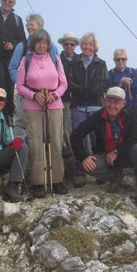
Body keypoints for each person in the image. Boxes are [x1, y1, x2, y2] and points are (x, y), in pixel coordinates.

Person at [70, 86, 137, 205]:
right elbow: (75, 135)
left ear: (123, 104)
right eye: (109, 101)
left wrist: (116, 152)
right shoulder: (98, 116)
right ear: (105, 101)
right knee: (90, 166)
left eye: (116, 102)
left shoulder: (131, 115)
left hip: (125, 154)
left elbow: (135, 138)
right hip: (106, 156)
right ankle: (115, 177)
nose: (112, 105)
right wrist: (84, 156)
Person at [16, 28, 68, 198]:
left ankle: (57, 180)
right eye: (38, 42)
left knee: (56, 141)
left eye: (44, 42)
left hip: (54, 105)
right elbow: (20, 85)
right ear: (33, 43)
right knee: (36, 143)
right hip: (33, 106)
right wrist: (33, 95)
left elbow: (63, 84)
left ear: (48, 44)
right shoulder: (26, 60)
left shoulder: (55, 59)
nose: (41, 45)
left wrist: (55, 95)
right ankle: (38, 182)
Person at [66, 32, 109, 187]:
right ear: (81, 45)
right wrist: (83, 92)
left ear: (94, 46)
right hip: (78, 105)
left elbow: (104, 83)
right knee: (79, 139)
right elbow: (69, 82)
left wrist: (91, 92)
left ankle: (100, 172)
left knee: (98, 138)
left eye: (90, 44)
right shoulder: (73, 63)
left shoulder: (101, 63)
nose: (87, 47)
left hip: (96, 105)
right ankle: (80, 173)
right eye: (85, 44)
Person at [8, 13, 58, 138]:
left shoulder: (52, 47)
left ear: (41, 27)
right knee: (22, 123)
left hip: (47, 95)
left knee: (45, 126)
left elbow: (58, 68)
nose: (29, 28)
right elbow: (13, 67)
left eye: (32, 25)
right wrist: (22, 83)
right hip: (25, 94)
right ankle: (22, 153)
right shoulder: (22, 46)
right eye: (27, 25)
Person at [57, 32, 81, 175]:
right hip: (64, 98)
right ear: (62, 45)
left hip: (78, 98)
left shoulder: (80, 60)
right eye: (66, 44)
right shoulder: (58, 59)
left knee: (77, 126)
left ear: (76, 46)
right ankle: (69, 154)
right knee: (66, 126)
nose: (69, 47)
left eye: (72, 44)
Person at [108, 48, 137, 119]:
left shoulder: (133, 72)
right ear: (114, 60)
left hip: (133, 106)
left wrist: (131, 83)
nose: (120, 61)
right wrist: (120, 84)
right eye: (118, 59)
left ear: (126, 59)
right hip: (116, 108)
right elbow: (108, 92)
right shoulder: (110, 73)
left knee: (134, 129)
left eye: (123, 59)